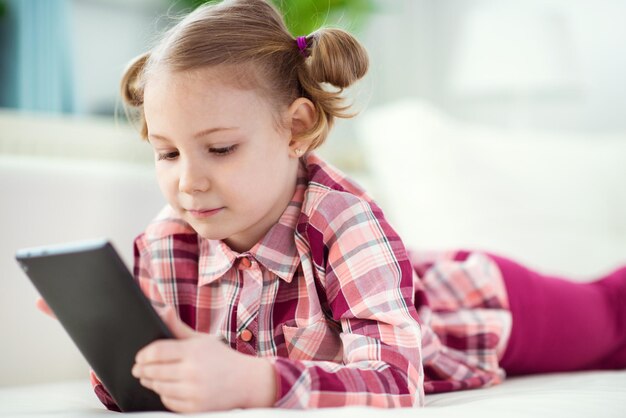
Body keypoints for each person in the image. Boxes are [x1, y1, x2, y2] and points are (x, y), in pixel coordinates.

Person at [37, 0, 626, 412]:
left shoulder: (341, 220)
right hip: (406, 282)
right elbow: (148, 397)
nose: (189, 182)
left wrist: (257, 383)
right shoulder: (167, 243)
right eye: (167, 154)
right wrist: (117, 344)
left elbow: (397, 382)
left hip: (480, 305)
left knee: (611, 317)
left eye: (219, 148)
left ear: (296, 128)